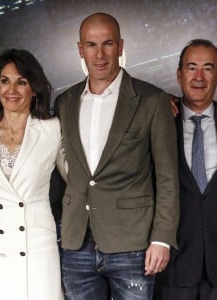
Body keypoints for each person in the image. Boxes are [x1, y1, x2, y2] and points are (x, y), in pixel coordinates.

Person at [55, 12, 179, 300]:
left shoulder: (152, 100)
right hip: (76, 244)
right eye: (91, 45)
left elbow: (168, 178)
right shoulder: (64, 102)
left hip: (133, 243)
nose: (99, 54)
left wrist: (162, 239)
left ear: (120, 46)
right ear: (80, 49)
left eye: (108, 43)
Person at [0, 49, 65, 299]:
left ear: (35, 89)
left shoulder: (52, 129)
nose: (12, 90)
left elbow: (78, 180)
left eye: (22, 82)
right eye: (5, 81)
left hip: (39, 245)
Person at [155, 39, 217, 300]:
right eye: (192, 68)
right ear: (179, 75)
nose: (199, 77)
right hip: (173, 270)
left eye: (208, 68)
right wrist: (159, 101)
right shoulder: (158, 121)